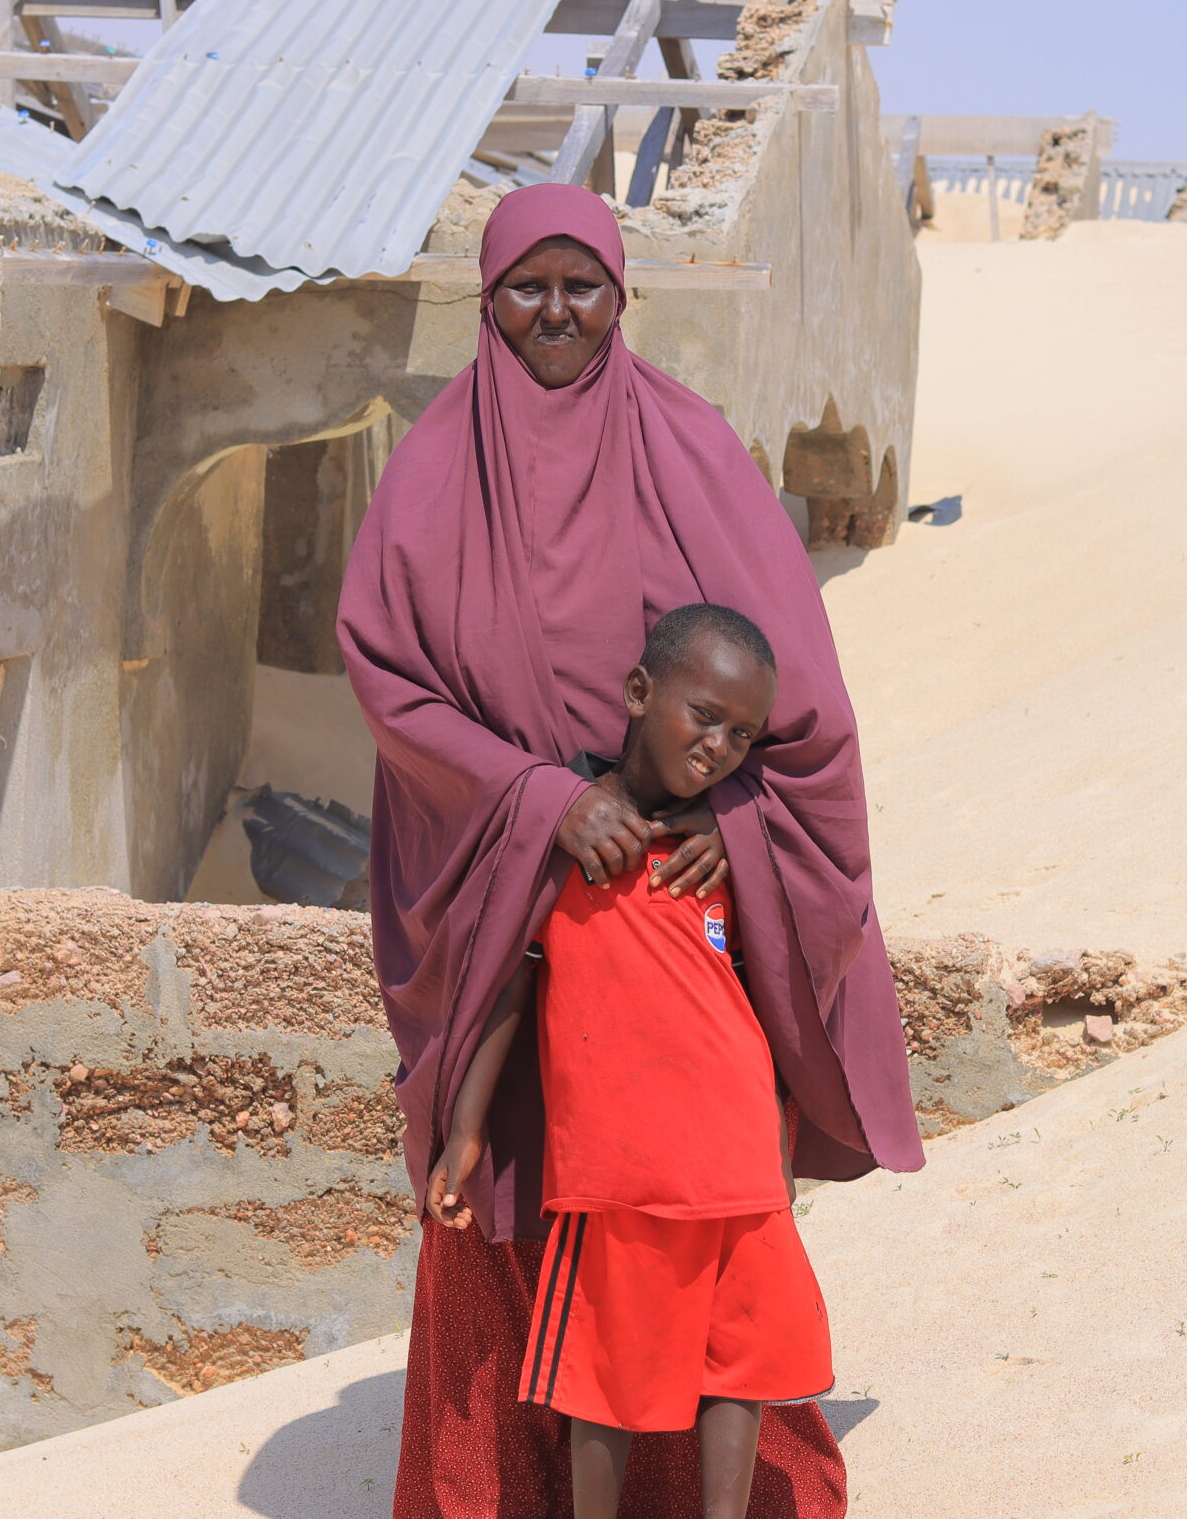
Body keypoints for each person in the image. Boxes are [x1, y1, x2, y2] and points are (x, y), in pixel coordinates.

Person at [337, 183, 921, 1518]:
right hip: (511, 885)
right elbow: (387, 675)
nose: (556, 314)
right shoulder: (433, 466)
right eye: (526, 289)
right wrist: (540, 797)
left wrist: (731, 813)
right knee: (523, 1198)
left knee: (691, 1241)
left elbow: (799, 705)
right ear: (485, 303)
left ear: (621, 297)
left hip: (676, 916)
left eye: (582, 286)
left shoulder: (692, 449)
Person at [428, 604, 825, 1519]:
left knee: (742, 1358)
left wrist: (772, 1135)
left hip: (737, 1152)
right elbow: (506, 985)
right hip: (620, 1165)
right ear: (641, 692)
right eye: (706, 715)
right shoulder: (565, 831)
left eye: (743, 734)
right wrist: (466, 1131)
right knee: (600, 1371)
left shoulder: (721, 841)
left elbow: (772, 970)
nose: (721, 745)